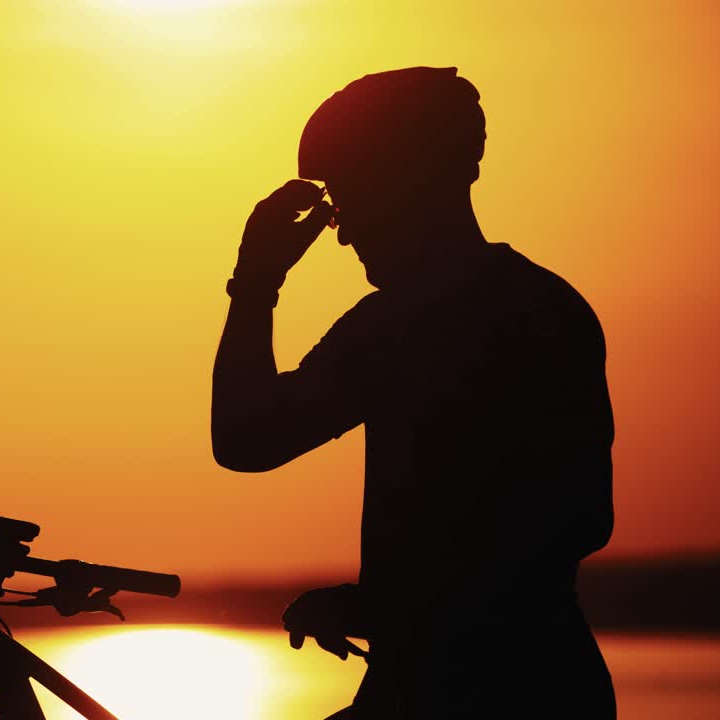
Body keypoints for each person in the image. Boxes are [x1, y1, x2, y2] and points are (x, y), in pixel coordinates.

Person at [211, 67, 616, 719]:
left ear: (412, 183)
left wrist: (256, 283)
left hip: (490, 691)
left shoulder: (444, 322)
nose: (342, 232)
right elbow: (247, 441)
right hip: (473, 684)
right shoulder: (502, 310)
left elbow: (575, 515)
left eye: (353, 198)